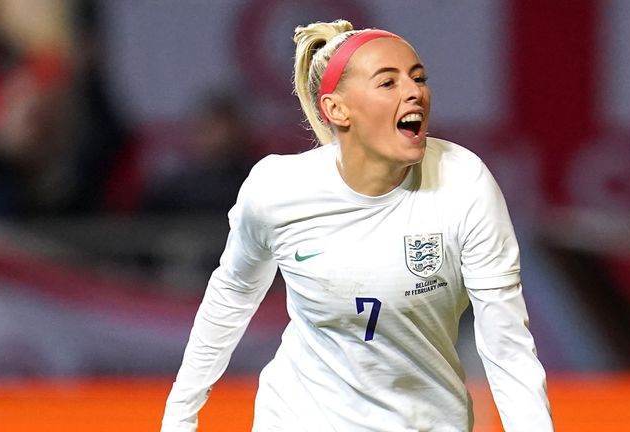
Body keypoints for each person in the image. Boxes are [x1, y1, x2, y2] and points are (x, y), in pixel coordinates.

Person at [162, 19, 554, 431]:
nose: (413, 91)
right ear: (336, 108)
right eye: (388, 83)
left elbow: (507, 346)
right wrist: (179, 416)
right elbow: (231, 298)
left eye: (418, 78)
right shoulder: (276, 189)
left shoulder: (465, 183)